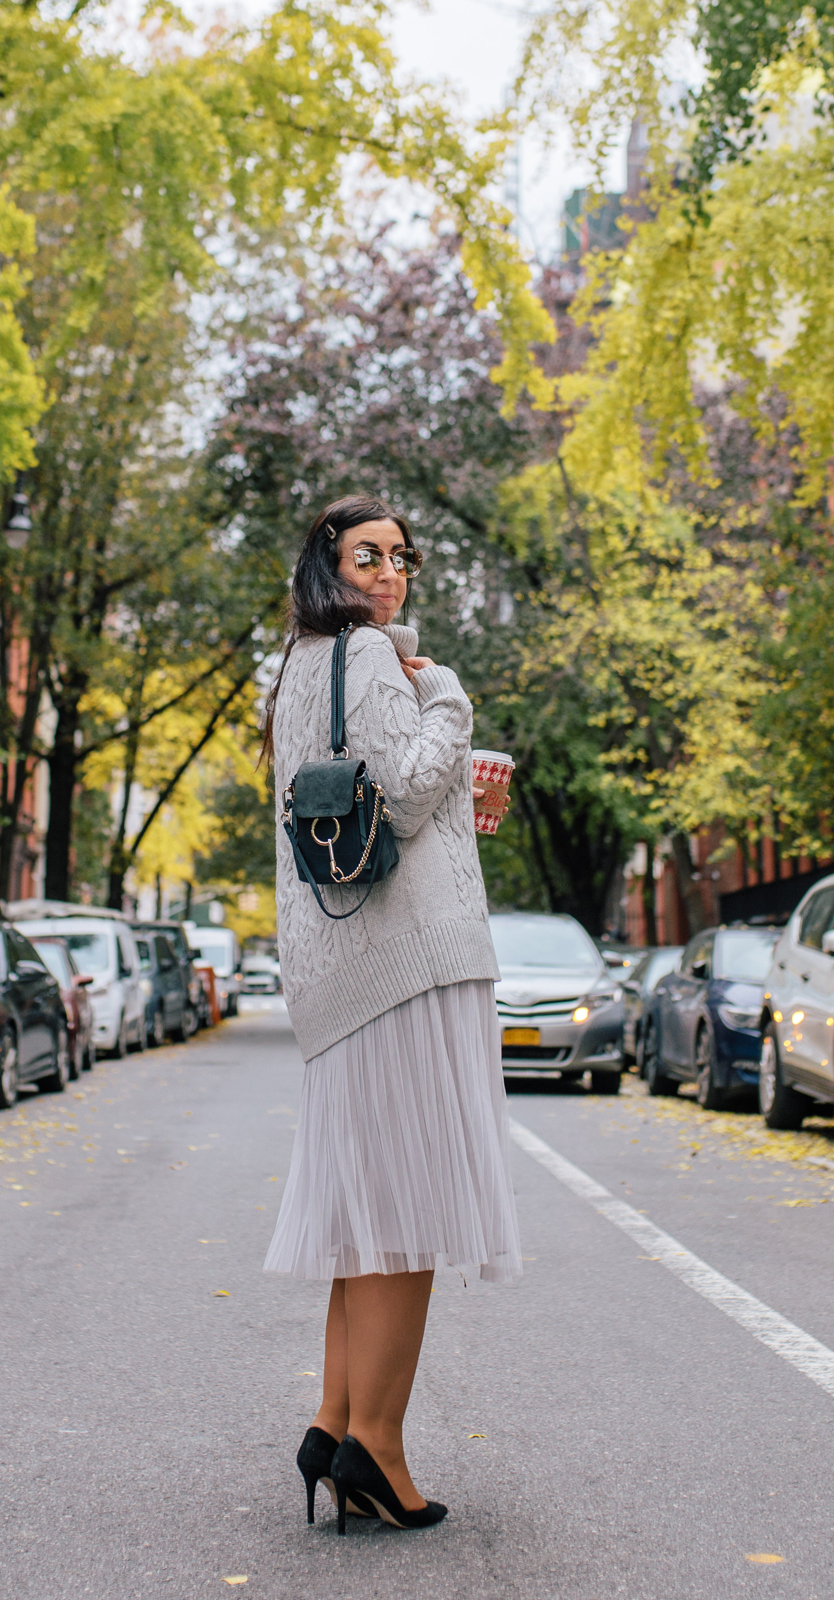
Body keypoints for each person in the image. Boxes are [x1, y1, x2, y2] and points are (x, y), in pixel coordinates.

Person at [262, 493, 522, 1535]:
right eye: (366, 554)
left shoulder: (296, 670)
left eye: (401, 556)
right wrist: (451, 700)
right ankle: (380, 1448)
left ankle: (335, 1421)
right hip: (401, 971)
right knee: (406, 1218)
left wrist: (465, 797)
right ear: (327, 564)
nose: (388, 572)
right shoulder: (373, 659)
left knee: (366, 1215)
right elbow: (408, 792)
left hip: (348, 964)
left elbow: (374, 806)